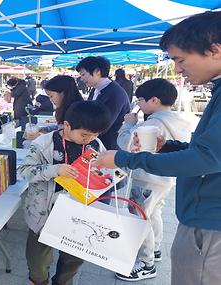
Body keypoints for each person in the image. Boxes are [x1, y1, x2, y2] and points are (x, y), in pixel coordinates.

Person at [94, 11, 221, 285]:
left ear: (214, 50)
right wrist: (167, 147)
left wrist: (125, 159)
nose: (177, 69)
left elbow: (208, 157)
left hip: (210, 223)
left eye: (180, 59)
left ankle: (146, 262)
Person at [18, 100, 111, 285]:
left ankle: (63, 282)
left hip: (78, 213)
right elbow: (24, 171)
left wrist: (107, 174)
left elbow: (102, 172)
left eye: (95, 134)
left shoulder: (96, 144)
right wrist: (55, 169)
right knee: (37, 259)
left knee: (73, 257)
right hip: (44, 213)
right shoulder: (44, 143)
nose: (90, 138)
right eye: (84, 134)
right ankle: (39, 281)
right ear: (67, 125)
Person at [115, 79, 192, 282]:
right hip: (164, 179)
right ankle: (155, 249)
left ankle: (146, 264)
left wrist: (128, 125)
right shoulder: (177, 119)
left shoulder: (153, 123)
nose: (139, 105)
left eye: (141, 100)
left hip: (147, 179)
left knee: (140, 218)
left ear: (154, 100)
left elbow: (127, 144)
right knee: (153, 213)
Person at [76, 56, 130, 150]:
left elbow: (104, 125)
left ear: (97, 71)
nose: (81, 79)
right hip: (97, 143)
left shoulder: (115, 93)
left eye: (83, 74)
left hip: (109, 146)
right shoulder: (95, 89)